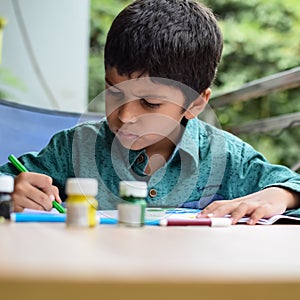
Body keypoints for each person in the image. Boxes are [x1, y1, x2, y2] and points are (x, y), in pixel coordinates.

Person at [0, 0, 299, 224]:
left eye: (150, 103)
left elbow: (293, 187)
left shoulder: (226, 157)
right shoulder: (72, 149)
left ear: (195, 103)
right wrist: (10, 192)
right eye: (113, 93)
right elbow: (7, 181)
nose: (125, 115)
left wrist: (278, 196)